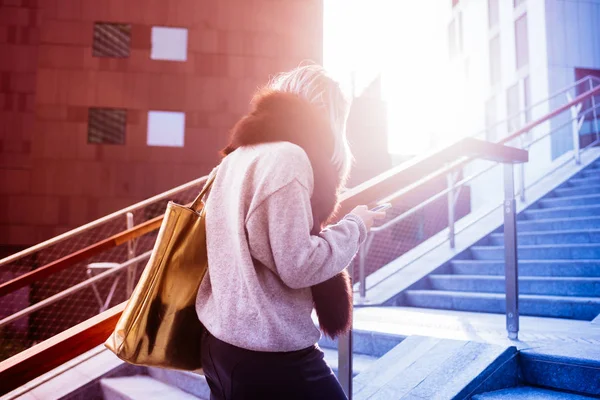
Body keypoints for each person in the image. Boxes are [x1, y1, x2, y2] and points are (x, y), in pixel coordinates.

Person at [195, 64, 388, 400]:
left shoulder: (237, 157)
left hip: (221, 343)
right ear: (326, 112)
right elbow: (299, 265)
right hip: (269, 353)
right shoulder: (289, 158)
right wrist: (356, 225)